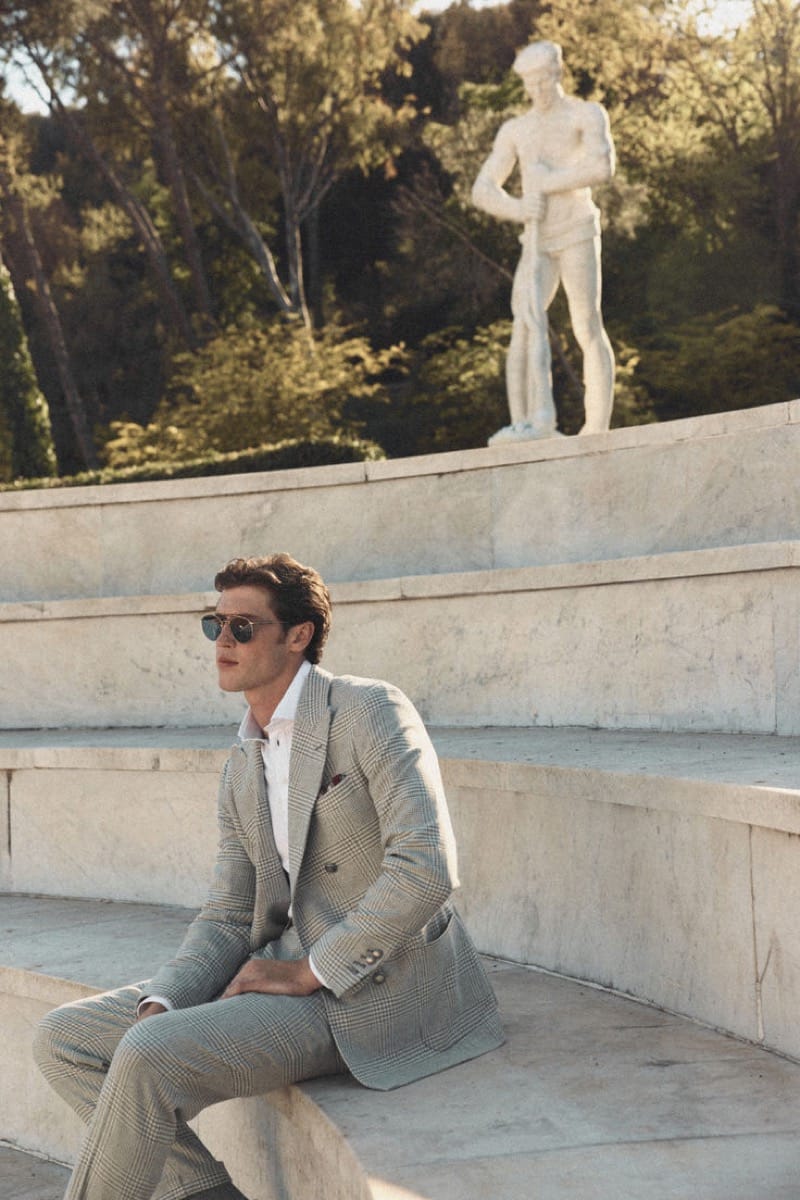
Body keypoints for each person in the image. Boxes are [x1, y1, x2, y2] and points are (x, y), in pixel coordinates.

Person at [34, 553, 504, 1200]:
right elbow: (230, 913)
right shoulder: (242, 762)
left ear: (298, 635)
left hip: (376, 987)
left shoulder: (368, 709)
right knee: (66, 1039)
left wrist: (309, 971)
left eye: (243, 627)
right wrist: (163, 1001)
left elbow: (426, 867)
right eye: (215, 624)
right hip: (287, 965)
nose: (222, 642)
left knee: (146, 1056)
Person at [472, 40, 616, 440]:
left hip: (576, 230)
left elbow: (601, 167)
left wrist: (548, 181)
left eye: (543, 81)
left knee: (586, 322)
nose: (537, 90)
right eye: (530, 84)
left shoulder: (585, 114)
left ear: (557, 74)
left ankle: (596, 427)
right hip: (537, 238)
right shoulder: (516, 130)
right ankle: (531, 421)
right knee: (525, 321)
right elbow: (482, 189)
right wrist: (519, 208)